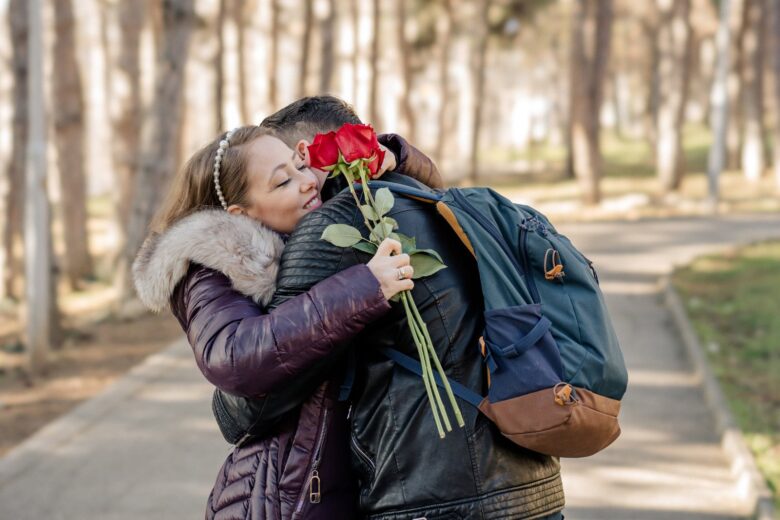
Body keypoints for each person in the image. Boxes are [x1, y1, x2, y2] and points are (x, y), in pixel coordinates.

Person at [218, 96, 566, 519]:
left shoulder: (336, 226)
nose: (301, 178)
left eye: (298, 161)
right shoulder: (437, 200)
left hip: (432, 497)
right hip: (534, 485)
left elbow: (252, 405)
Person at [132, 123, 443, 519]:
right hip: (286, 496)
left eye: (299, 165)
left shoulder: (303, 229)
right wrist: (365, 288)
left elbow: (435, 192)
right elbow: (235, 356)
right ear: (239, 214)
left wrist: (396, 154)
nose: (306, 183)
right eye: (282, 183)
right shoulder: (206, 268)